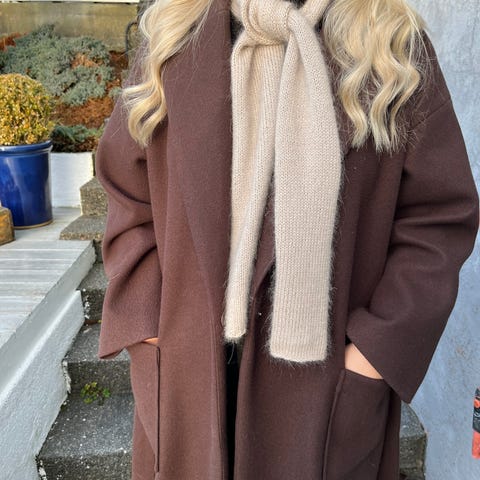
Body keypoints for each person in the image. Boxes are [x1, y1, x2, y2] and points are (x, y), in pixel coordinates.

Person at [94, 0, 479, 479]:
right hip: (187, 374)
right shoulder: (175, 31)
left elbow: (437, 218)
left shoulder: (392, 44)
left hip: (322, 388)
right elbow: (128, 196)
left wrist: (374, 353)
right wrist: (148, 326)